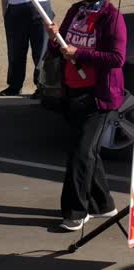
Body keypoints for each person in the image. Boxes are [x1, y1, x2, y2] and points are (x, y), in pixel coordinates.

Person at [45, 0, 127, 231]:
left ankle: (76, 211)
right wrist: (53, 36)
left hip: (98, 96)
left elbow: (116, 58)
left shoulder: (112, 16)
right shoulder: (76, 10)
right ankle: (103, 204)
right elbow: (57, 49)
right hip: (72, 91)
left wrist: (79, 53)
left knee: (80, 153)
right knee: (86, 151)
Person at [0, 0, 54, 98]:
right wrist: (5, 11)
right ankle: (14, 85)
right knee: (15, 50)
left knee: (41, 52)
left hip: (40, 6)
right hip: (14, 8)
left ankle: (42, 86)